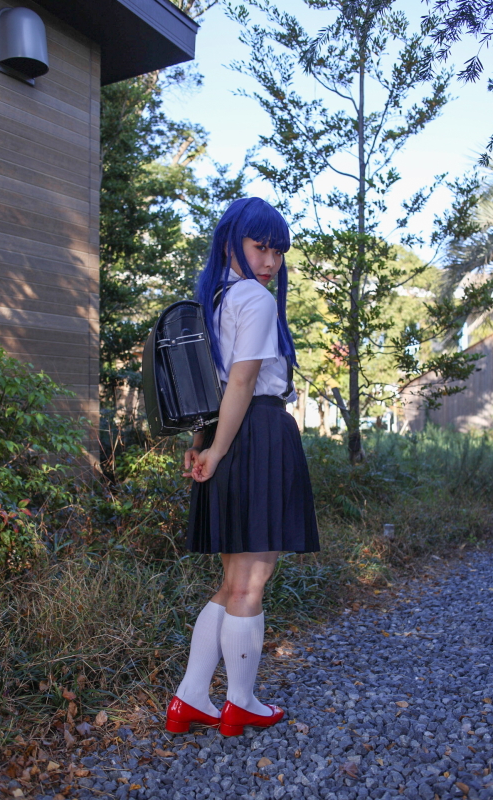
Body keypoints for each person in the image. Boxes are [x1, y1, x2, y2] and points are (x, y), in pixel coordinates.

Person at [165, 197, 320, 738]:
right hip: (256, 433)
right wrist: (216, 448)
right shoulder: (253, 297)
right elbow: (243, 380)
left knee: (233, 581)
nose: (271, 261)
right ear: (231, 241)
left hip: (227, 433)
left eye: (278, 251)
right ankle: (241, 703)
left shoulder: (216, 298)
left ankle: (189, 699)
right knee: (250, 582)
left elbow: (207, 385)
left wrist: (204, 443)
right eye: (261, 247)